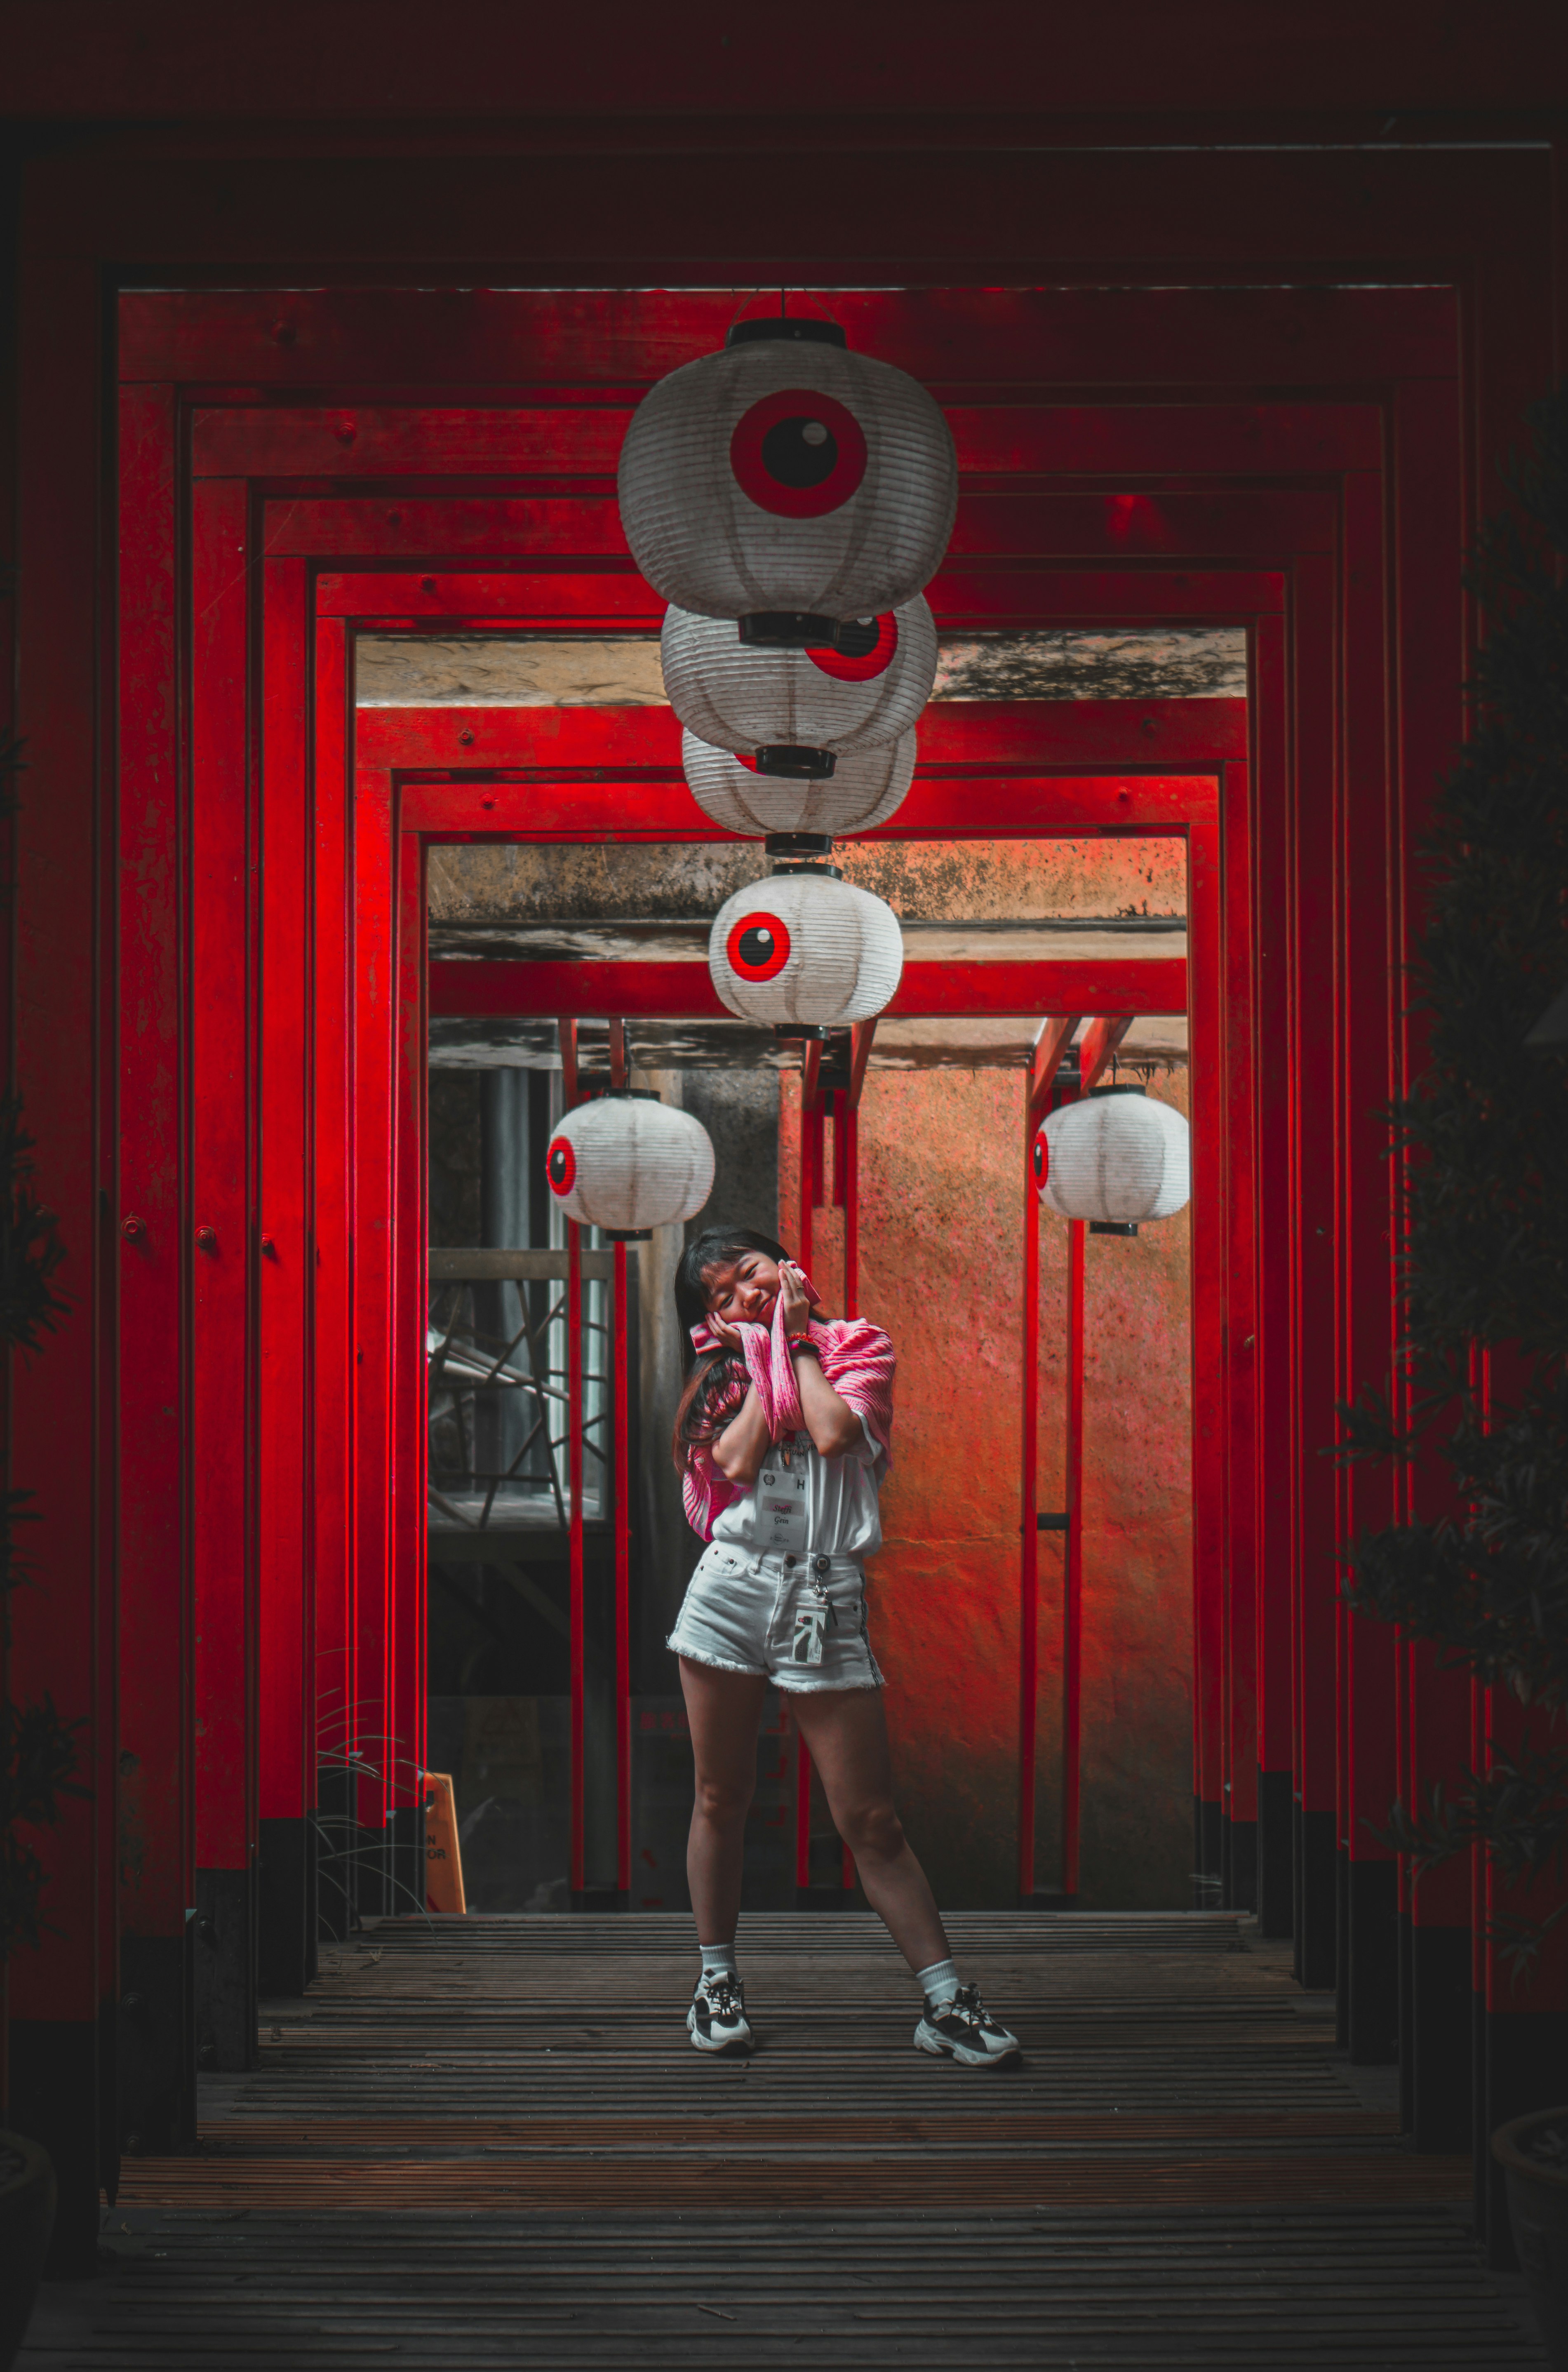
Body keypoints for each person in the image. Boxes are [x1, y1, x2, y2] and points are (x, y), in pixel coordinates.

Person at [667, 1225, 1020, 2068]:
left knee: (871, 1818)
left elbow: (831, 1433)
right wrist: (758, 1359)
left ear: (785, 1268)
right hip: (732, 1587)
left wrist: (793, 1343)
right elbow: (743, 1460)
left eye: (748, 1275)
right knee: (722, 1796)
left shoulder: (858, 1346)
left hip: (823, 1590)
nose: (740, 1296)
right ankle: (716, 1985)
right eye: (719, 1297)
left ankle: (944, 2004)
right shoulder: (720, 1379)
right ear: (711, 1322)